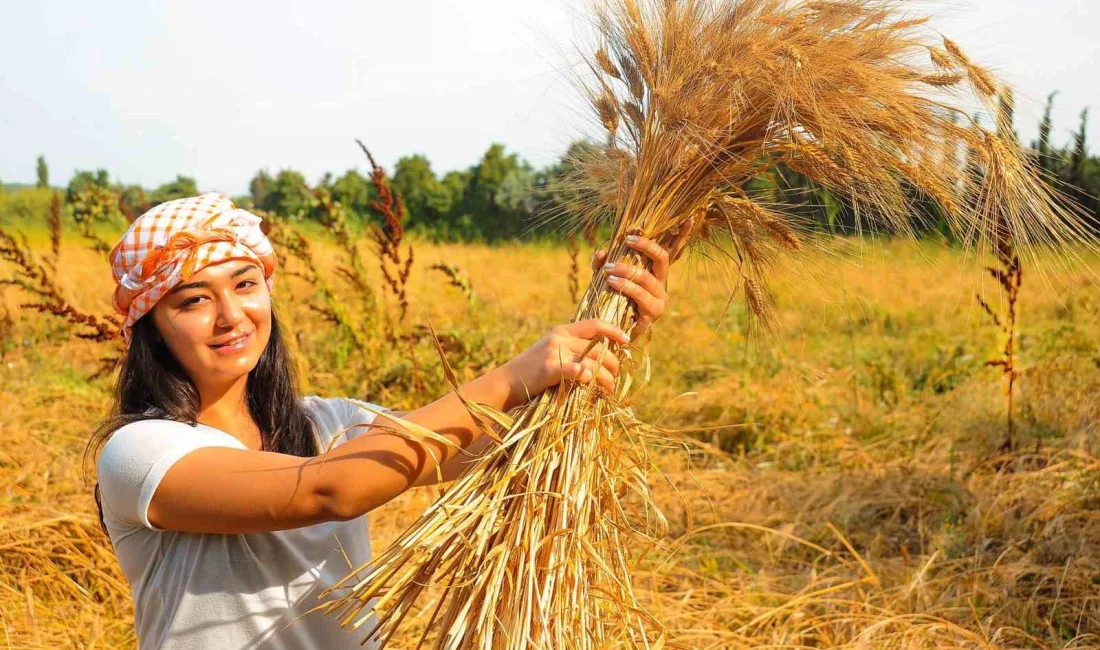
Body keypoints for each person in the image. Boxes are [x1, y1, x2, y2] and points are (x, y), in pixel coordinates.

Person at [89, 192, 689, 649]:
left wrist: (610, 330)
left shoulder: (330, 424)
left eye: (245, 285)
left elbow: (506, 449)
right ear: (151, 325)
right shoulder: (140, 453)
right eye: (193, 299)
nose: (230, 315)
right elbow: (331, 489)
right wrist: (518, 371)